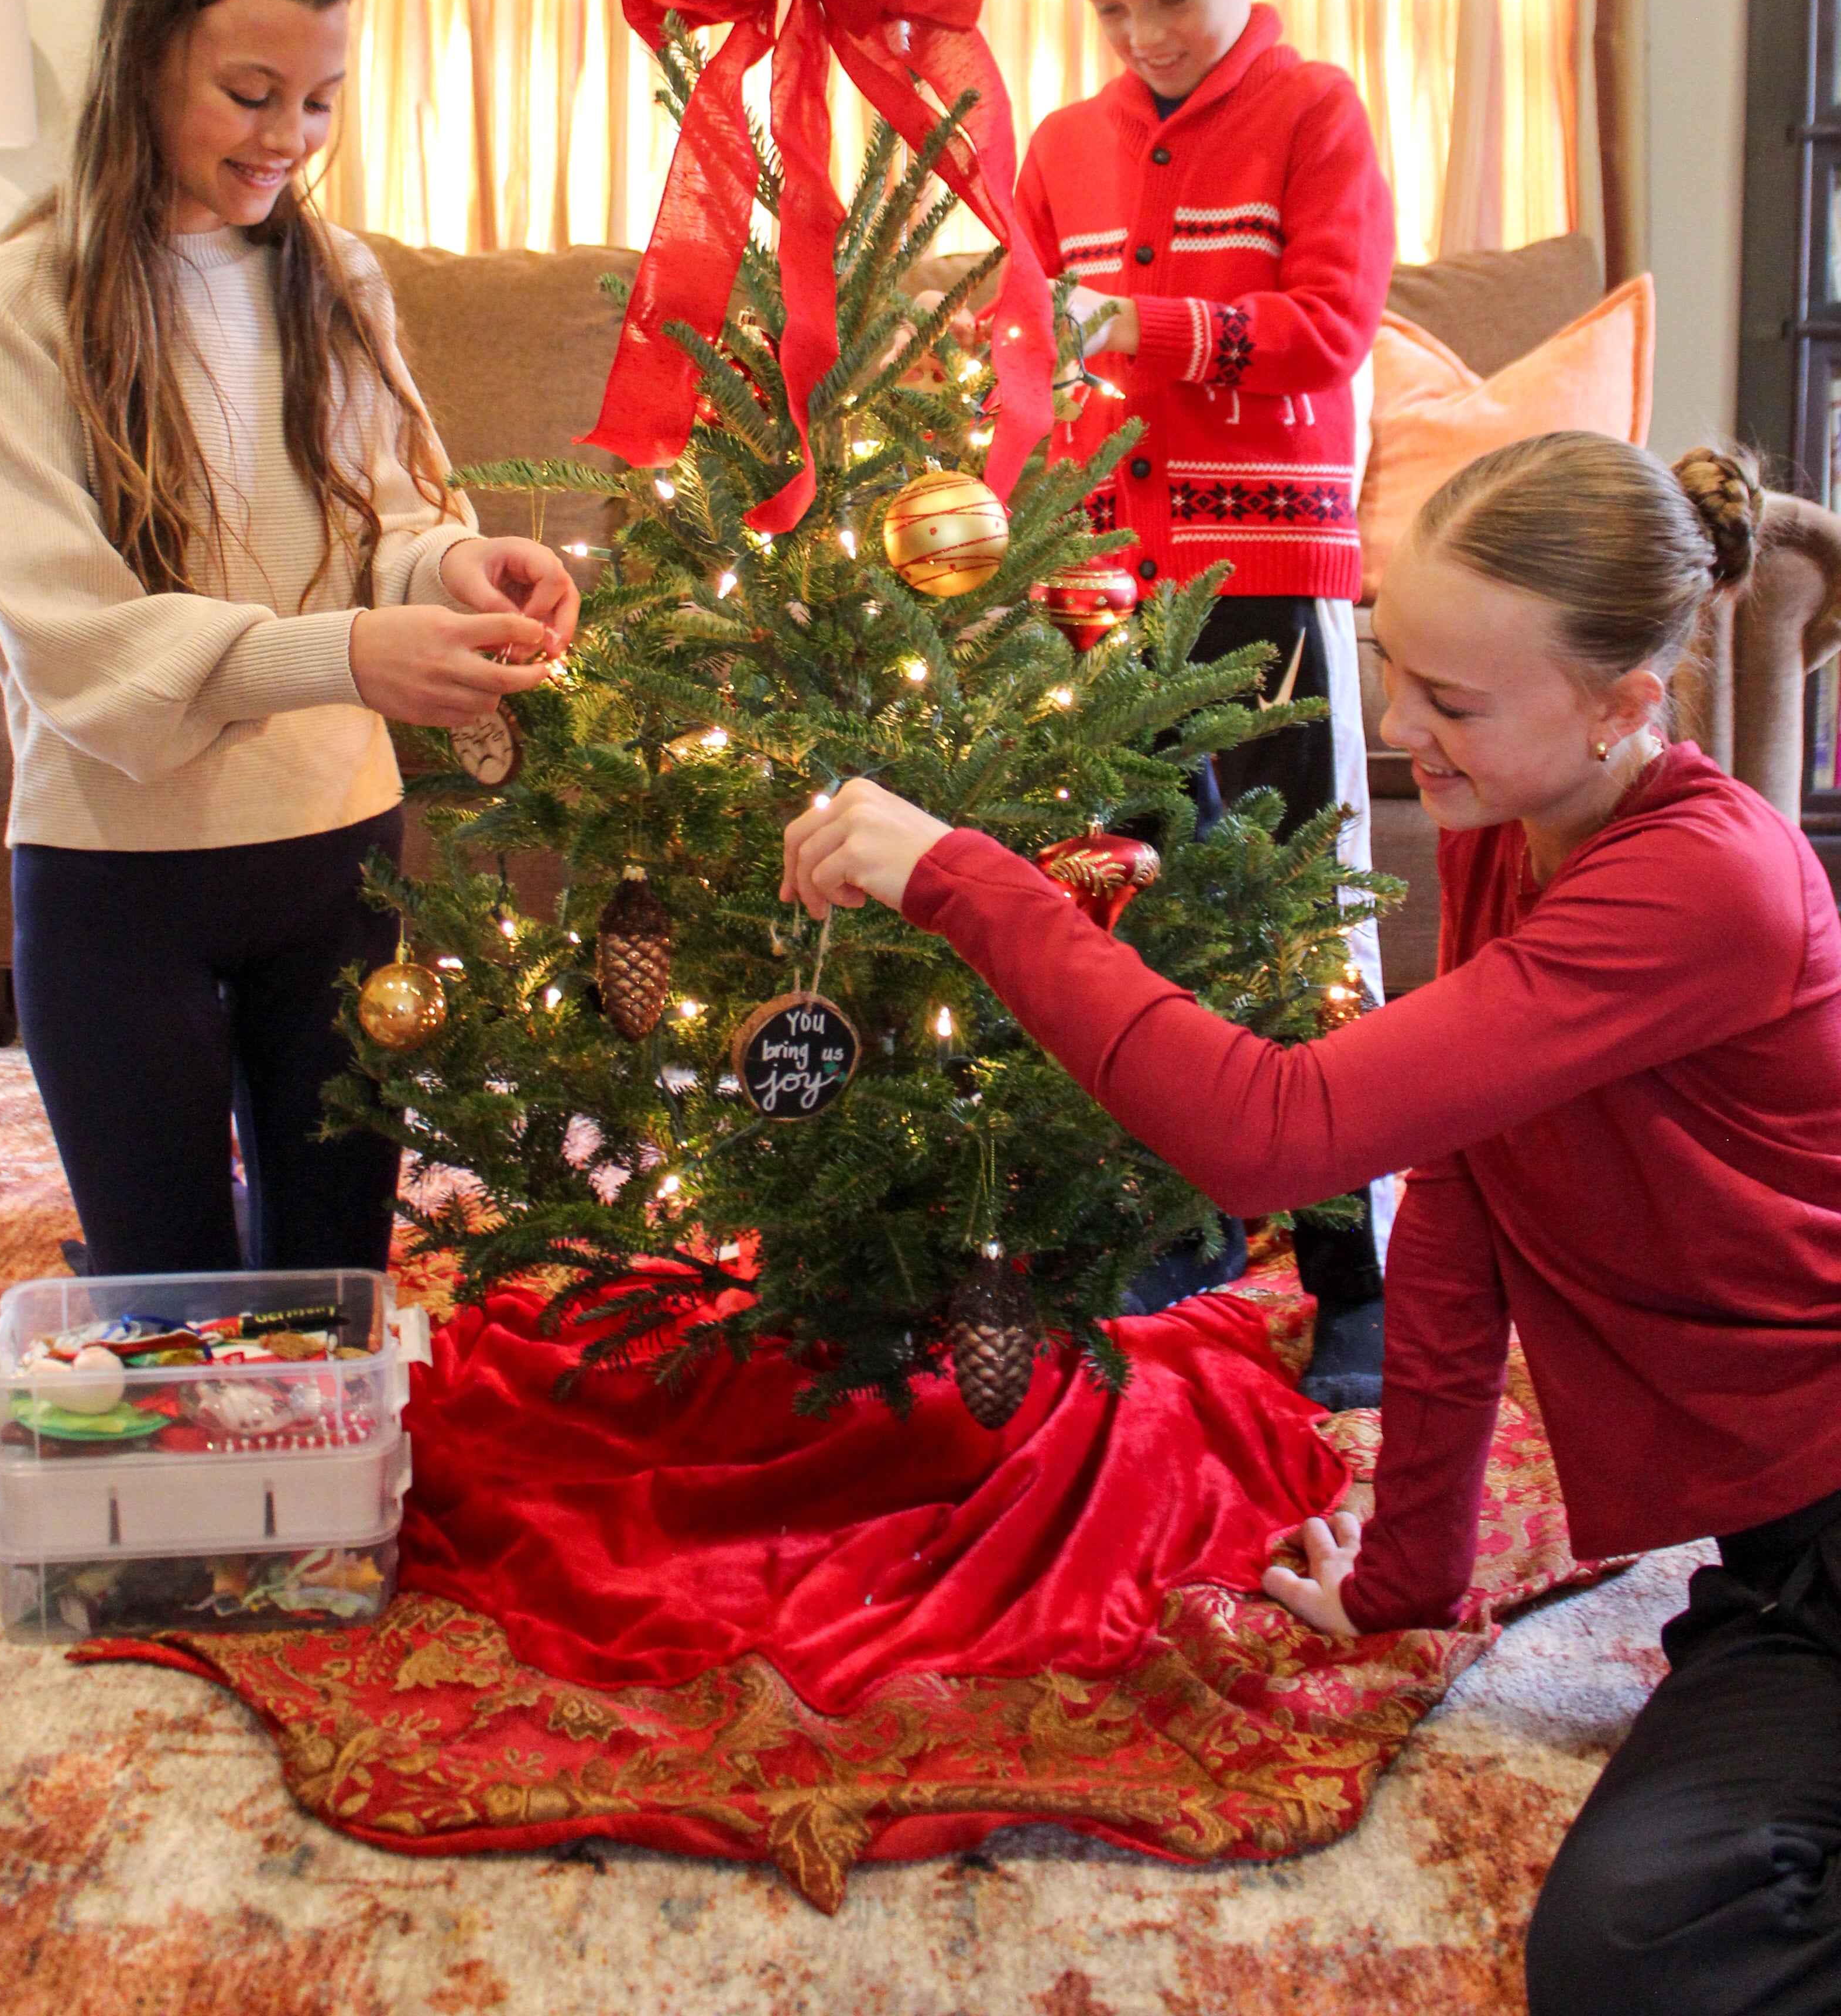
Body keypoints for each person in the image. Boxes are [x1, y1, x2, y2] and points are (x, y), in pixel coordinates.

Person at [782, 431, 1841, 2016]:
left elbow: (1272, 1135)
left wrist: (964, 878)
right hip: (1787, 1567)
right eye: (1393, 666)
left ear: (1625, 704)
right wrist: (1408, 1571)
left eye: (1454, 702)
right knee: (1634, 1949)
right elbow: (1462, 1203)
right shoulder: (1518, 834)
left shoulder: (1706, 883)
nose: (1399, 729)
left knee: (1651, 1963)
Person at [0, 0, 580, 1279]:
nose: (288, 138)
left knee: (332, 1294)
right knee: (166, 1308)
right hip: (115, 877)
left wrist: (460, 563)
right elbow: (74, 642)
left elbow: (395, 513)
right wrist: (346, 655)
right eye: (250, 93)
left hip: (336, 853)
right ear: (143, 63)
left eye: (321, 102)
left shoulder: (336, 278)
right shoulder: (19, 307)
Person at [1019, 0, 1397, 1398]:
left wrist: (1152, 327)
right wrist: (1023, 537)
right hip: (1105, 589)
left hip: (1270, 581)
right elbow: (1023, 360)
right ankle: (1183, 1224)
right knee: (1140, 905)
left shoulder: (1316, 112)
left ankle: (1356, 1272)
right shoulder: (1061, 146)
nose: (1146, 35)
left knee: (1307, 917)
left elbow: (1335, 323)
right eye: (1113, 7)